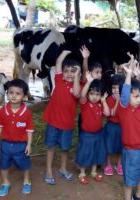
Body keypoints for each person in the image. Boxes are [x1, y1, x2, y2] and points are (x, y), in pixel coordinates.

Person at [116, 54, 140, 200]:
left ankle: (138, 195)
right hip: (131, 152)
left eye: (139, 96)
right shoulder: (124, 109)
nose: (139, 99)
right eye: (135, 97)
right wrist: (129, 75)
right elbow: (126, 93)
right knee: (130, 179)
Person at [43, 50, 81, 185]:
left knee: (65, 148)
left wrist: (76, 77)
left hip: (67, 124)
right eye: (67, 71)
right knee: (51, 146)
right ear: (62, 73)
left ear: (78, 74)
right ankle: (48, 170)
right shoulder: (59, 80)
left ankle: (63, 169)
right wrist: (65, 52)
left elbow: (76, 94)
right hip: (53, 122)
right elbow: (58, 63)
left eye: (74, 71)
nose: (70, 74)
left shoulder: (78, 86)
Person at [0, 79, 34, 196]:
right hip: (5, 144)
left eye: (18, 93)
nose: (14, 96)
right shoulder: (2, 111)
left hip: (21, 145)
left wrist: (29, 144)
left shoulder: (26, 113)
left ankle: (27, 181)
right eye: (11, 93)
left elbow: (29, 130)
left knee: (25, 164)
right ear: (7, 94)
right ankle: (6, 182)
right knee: (4, 164)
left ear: (24, 97)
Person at [75, 73, 109, 185]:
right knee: (85, 153)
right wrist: (88, 82)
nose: (94, 96)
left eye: (97, 94)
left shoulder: (100, 105)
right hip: (87, 135)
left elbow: (107, 113)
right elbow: (82, 95)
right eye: (92, 94)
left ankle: (93, 172)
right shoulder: (85, 104)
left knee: (96, 152)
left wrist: (103, 101)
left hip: (98, 134)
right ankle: (82, 173)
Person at [103, 74, 125, 176]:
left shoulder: (125, 99)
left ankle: (119, 164)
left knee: (120, 146)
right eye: (113, 87)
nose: (116, 90)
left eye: (118, 88)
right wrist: (117, 101)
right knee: (109, 147)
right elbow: (112, 113)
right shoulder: (110, 99)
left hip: (121, 127)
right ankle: (108, 164)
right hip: (111, 127)